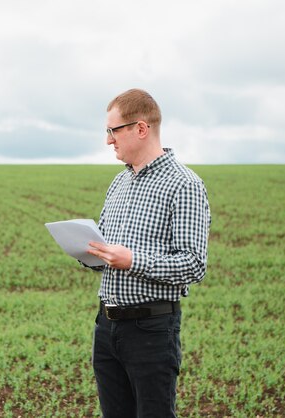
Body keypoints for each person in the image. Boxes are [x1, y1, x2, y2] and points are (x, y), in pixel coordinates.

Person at [85, 88, 211, 417]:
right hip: (107, 326)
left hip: (151, 330)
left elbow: (194, 264)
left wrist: (132, 261)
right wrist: (92, 254)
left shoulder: (184, 184)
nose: (108, 141)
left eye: (113, 131)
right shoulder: (118, 183)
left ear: (141, 129)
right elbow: (109, 251)